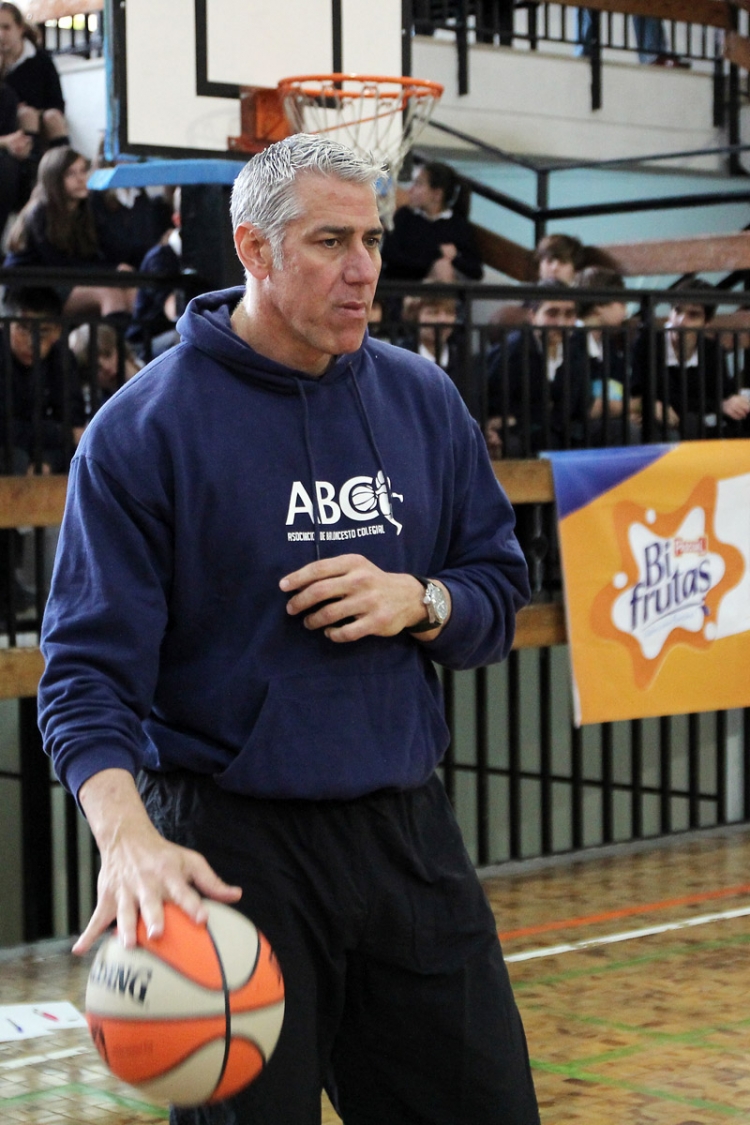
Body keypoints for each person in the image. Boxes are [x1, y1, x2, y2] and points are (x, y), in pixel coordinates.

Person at [38, 134, 539, 1125]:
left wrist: (422, 601)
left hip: (405, 835)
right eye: (329, 242)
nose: (364, 270)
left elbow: (495, 592)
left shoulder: (423, 399)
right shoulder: (142, 431)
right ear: (255, 250)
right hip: (231, 849)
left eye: (373, 240)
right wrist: (126, 838)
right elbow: (84, 676)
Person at [5, 145, 136, 319]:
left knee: (131, 291)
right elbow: (59, 264)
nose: (81, 179)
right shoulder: (40, 212)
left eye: (83, 171)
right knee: (108, 293)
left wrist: (119, 267)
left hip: (64, 280)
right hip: (34, 289)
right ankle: (114, 337)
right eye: (71, 174)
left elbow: (108, 248)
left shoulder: (86, 210)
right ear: (54, 179)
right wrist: (112, 270)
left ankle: (126, 337)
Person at [631, 278, 750, 441]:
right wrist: (718, 405)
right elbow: (650, 394)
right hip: (662, 423)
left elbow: (724, 393)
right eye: (677, 310)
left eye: (693, 315)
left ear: (706, 323)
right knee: (691, 423)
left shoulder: (712, 350)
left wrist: (735, 402)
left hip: (699, 421)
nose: (681, 321)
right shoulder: (648, 343)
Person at [485, 280, 578, 457]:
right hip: (520, 431)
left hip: (556, 426)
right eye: (552, 313)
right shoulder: (513, 351)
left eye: (569, 314)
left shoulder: (574, 348)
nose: (561, 322)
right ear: (532, 316)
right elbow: (492, 401)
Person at [552, 265, 640, 447]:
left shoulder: (606, 343)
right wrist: (635, 406)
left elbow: (619, 386)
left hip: (601, 421)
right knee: (627, 431)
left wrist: (626, 411)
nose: (625, 312)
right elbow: (583, 407)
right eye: (621, 304)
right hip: (572, 428)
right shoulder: (573, 342)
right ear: (599, 305)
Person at [381, 160, 484, 282]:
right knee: (441, 266)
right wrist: (435, 255)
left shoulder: (457, 225)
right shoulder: (405, 216)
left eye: (418, 185)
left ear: (437, 195)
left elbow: (476, 271)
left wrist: (454, 257)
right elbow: (389, 254)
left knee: (443, 267)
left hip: (433, 287)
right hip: (400, 285)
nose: (410, 190)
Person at [0, 3, 69, 154]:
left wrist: (37, 111)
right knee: (26, 115)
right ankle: (30, 165)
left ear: (20, 28)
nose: (1, 35)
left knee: (51, 117)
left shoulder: (40, 60)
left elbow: (56, 101)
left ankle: (63, 162)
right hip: (7, 118)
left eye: (6, 27)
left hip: (38, 114)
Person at [68, 321, 142, 417]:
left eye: (108, 355)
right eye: (96, 367)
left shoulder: (155, 363)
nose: (107, 367)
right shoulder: (102, 412)